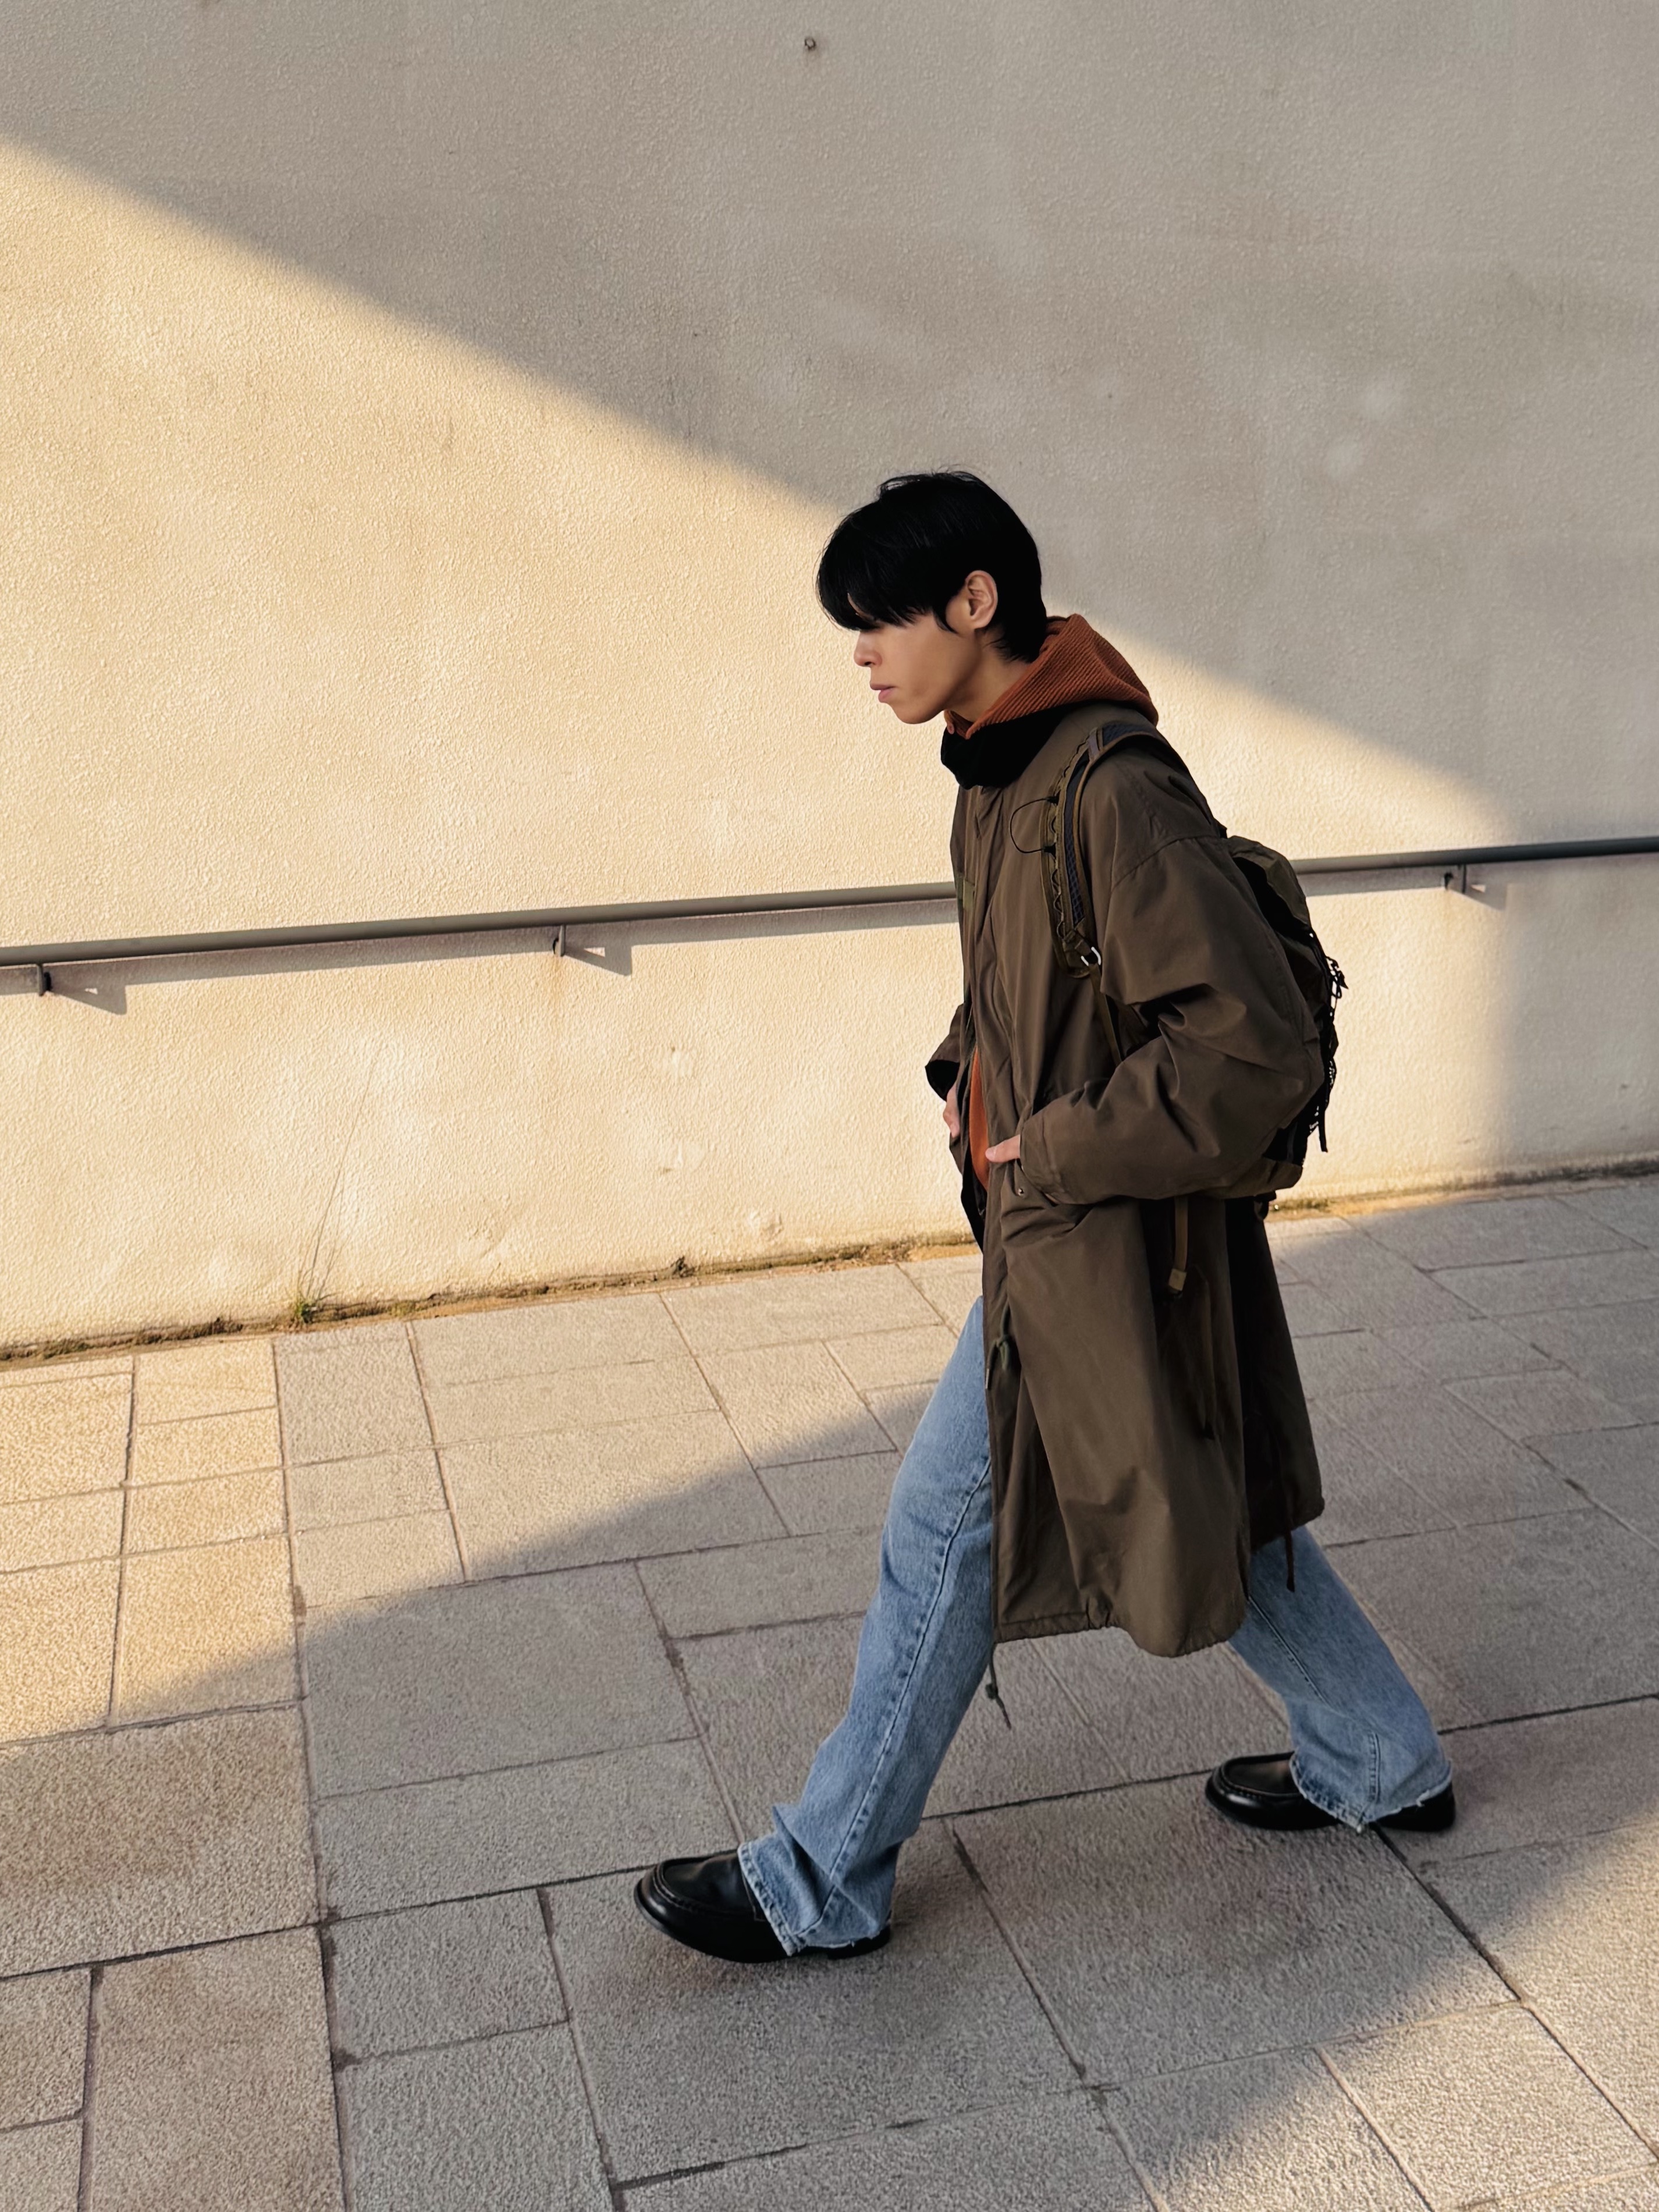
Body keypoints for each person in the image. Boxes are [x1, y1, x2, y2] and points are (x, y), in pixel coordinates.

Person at [637, 471, 1453, 1964]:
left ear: (974, 602)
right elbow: (1041, 983)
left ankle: (817, 1877)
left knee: (942, 1526)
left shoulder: (1107, 781)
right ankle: (1381, 1756)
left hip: (1108, 1230)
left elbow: (1246, 1045)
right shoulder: (997, 767)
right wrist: (973, 1079)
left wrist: (1054, 1146)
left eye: (880, 616)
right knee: (1197, 1485)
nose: (863, 652)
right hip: (1066, 1228)